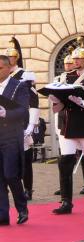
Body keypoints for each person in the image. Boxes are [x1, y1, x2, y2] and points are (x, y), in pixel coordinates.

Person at [50, 36, 84, 214]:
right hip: (68, 123)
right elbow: (60, 102)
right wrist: (55, 99)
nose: (76, 61)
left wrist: (81, 101)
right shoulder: (65, 77)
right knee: (65, 161)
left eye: (79, 58)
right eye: (74, 59)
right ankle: (66, 202)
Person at [53, 46, 84, 196]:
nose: (69, 65)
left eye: (73, 62)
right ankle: (64, 188)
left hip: (80, 121)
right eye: (68, 63)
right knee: (65, 157)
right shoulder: (61, 78)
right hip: (64, 120)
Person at [6, 37, 39, 201]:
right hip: (4, 121)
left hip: (21, 119)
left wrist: (32, 124)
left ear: (16, 58)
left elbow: (34, 101)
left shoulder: (25, 75)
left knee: (25, 156)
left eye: (10, 57)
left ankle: (28, 189)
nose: (7, 60)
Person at [0, 55, 29, 225]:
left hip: (11, 135)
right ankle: (3, 214)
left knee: (11, 174)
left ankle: (22, 207)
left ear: (9, 68)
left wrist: (6, 114)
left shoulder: (19, 86)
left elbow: (23, 111)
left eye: (0, 68)